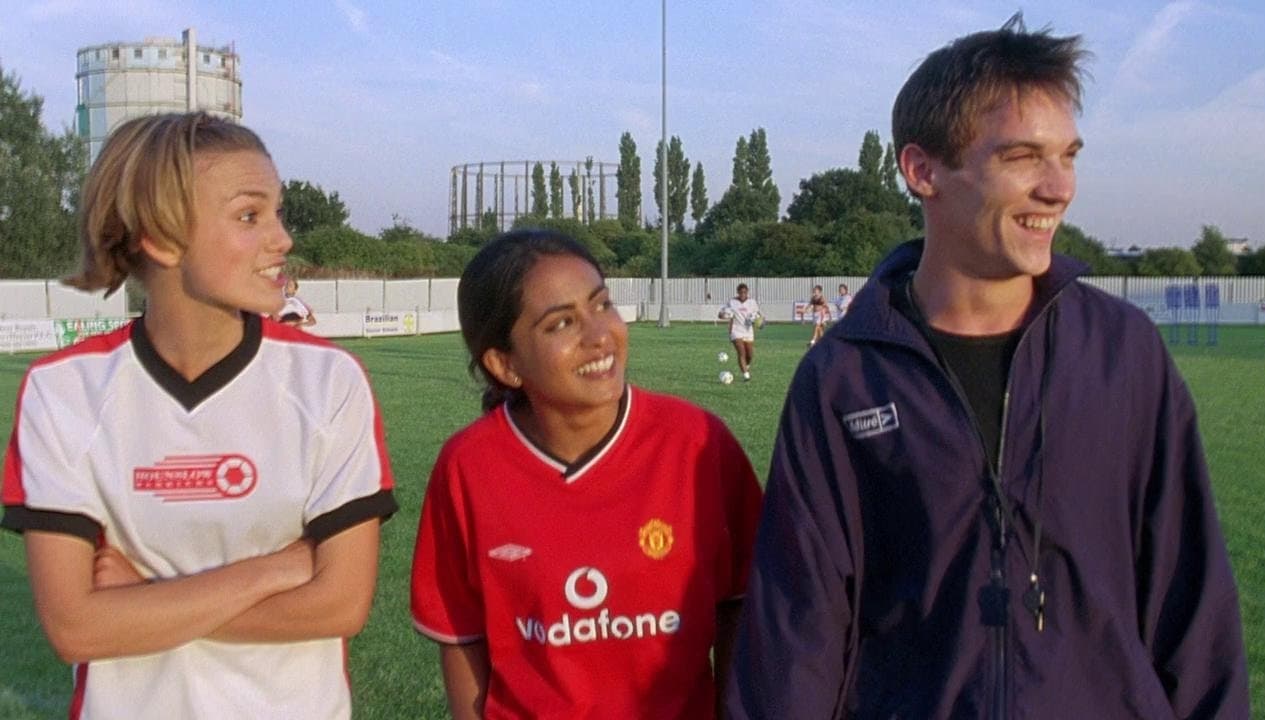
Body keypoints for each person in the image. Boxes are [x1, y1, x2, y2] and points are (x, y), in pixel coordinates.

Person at [727, 14, 1248, 719]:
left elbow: (1194, 606)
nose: (1059, 188)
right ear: (923, 171)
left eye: (1068, 156)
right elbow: (798, 631)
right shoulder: (844, 380)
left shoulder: (1123, 352)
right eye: (1023, 156)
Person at [1, 112, 397, 719]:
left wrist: (142, 602)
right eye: (249, 216)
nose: (283, 239)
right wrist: (276, 569)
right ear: (160, 239)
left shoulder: (328, 381)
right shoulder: (64, 390)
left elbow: (339, 606)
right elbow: (74, 629)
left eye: (278, 212)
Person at [410, 230, 762, 719]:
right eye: (561, 323)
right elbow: (461, 637)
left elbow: (742, 603)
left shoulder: (699, 443)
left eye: (602, 304)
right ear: (505, 364)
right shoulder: (468, 467)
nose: (600, 335)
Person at [720, 283, 762, 381]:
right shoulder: (732, 302)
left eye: (745, 292)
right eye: (741, 292)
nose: (743, 294)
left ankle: (746, 366)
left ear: (747, 292)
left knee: (749, 355)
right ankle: (746, 375)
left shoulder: (752, 302)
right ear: (737, 292)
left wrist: (759, 322)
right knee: (741, 352)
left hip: (748, 331)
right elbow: (720, 314)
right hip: (736, 331)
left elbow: (758, 316)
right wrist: (724, 315)